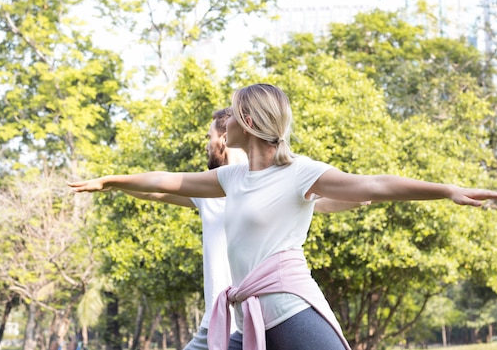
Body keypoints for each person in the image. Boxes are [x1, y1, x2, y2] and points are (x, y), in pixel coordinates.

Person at [69, 84, 497, 350]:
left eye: (230, 114)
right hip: (247, 319)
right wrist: (113, 181)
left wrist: (447, 191)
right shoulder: (232, 178)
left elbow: (375, 185)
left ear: (246, 120)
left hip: (289, 311)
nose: (222, 128)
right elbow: (169, 181)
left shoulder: (300, 173)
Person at [102, 108, 366, 350]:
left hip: (262, 312)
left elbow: (319, 203)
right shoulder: (212, 188)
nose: (207, 144)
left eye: (210, 136)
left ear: (224, 137)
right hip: (222, 320)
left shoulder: (273, 184)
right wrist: (112, 182)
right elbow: (158, 188)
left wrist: (357, 195)